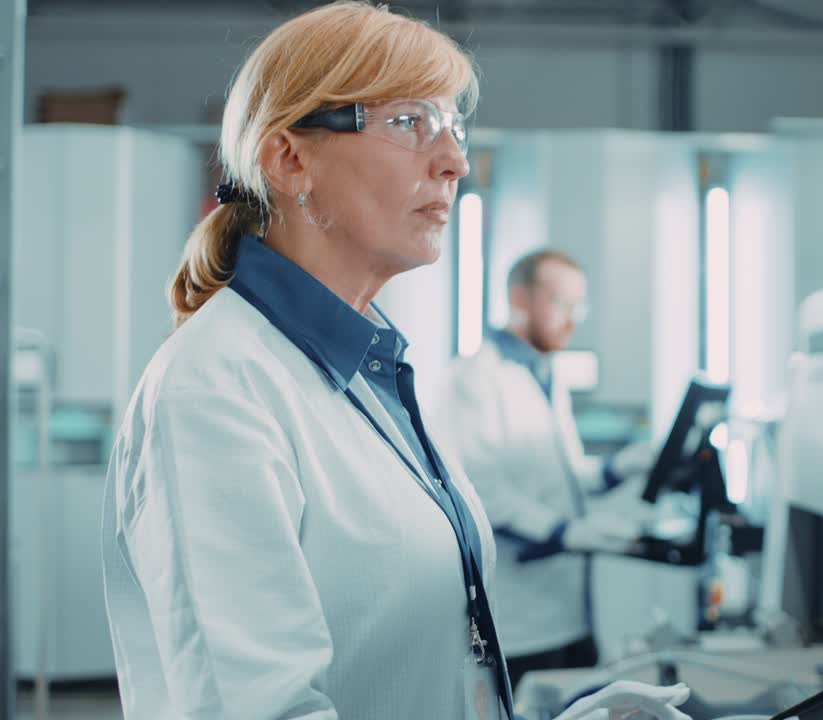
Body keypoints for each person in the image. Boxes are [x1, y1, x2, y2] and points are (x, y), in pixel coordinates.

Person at [99, 3, 688, 719]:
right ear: (290, 160)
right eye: (410, 122)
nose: (455, 161)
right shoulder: (215, 393)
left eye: (452, 126)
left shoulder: (372, 370)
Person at [435, 250, 656, 691]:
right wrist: (563, 533)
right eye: (561, 303)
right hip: (521, 621)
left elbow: (563, 476)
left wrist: (618, 468)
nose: (573, 319)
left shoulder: (545, 372)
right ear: (520, 299)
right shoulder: (476, 378)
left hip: (573, 611)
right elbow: (483, 493)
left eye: (580, 306)